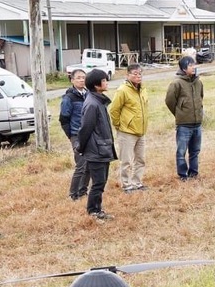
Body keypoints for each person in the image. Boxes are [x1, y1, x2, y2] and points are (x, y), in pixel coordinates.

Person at [78, 68, 117, 219]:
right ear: (96, 85)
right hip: (96, 150)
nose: (106, 83)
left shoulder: (98, 101)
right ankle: (93, 211)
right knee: (98, 183)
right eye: (104, 80)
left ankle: (96, 209)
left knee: (101, 182)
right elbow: (85, 129)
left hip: (102, 147)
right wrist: (81, 148)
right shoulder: (92, 104)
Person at [109, 63, 149, 192]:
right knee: (126, 160)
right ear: (128, 75)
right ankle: (126, 184)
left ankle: (137, 182)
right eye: (135, 74)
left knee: (140, 159)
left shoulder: (142, 88)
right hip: (127, 131)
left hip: (141, 130)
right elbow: (114, 110)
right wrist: (119, 125)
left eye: (140, 73)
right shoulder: (123, 90)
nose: (138, 76)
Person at [165, 55, 204, 181]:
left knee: (195, 151)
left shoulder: (198, 82)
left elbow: (200, 98)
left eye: (194, 65)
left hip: (197, 123)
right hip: (184, 124)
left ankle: (194, 173)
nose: (193, 67)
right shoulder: (176, 83)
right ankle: (183, 174)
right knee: (181, 151)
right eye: (190, 65)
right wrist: (180, 113)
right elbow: (170, 101)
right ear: (183, 68)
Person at [59, 69, 89, 200]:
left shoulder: (89, 94)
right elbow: (63, 118)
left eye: (83, 77)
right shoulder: (68, 98)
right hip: (76, 134)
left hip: (89, 134)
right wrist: (71, 136)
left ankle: (83, 191)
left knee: (89, 164)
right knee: (81, 164)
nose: (81, 80)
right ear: (72, 80)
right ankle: (73, 193)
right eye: (78, 78)